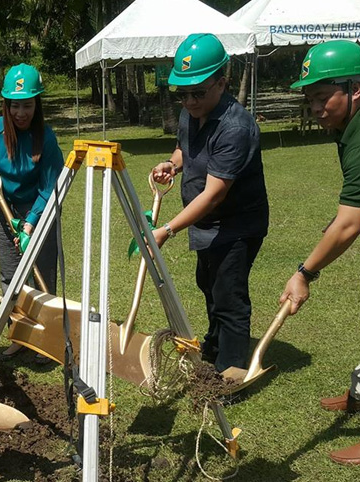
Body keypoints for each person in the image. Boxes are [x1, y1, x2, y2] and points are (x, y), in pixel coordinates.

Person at [150, 34, 269, 375]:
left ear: (221, 83)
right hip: (205, 223)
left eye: (198, 93)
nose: (189, 101)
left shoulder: (235, 127)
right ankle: (215, 346)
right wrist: (172, 164)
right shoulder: (191, 113)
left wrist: (167, 229)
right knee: (208, 283)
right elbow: (184, 148)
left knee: (228, 295)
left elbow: (214, 193)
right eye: (182, 93)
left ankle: (230, 372)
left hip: (236, 225)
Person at [279, 40, 360, 465]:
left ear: (355, 89)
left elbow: (350, 223)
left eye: (323, 96)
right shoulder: (348, 127)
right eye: (309, 98)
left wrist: (304, 273)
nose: (315, 107)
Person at [0, 63, 64, 361]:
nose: (20, 112)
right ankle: (20, 336)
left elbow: (50, 187)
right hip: (6, 209)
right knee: (11, 278)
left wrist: (30, 224)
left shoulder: (47, 139)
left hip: (40, 211)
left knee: (42, 277)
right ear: (7, 105)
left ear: (36, 104)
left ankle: (47, 340)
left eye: (27, 105)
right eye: (15, 105)